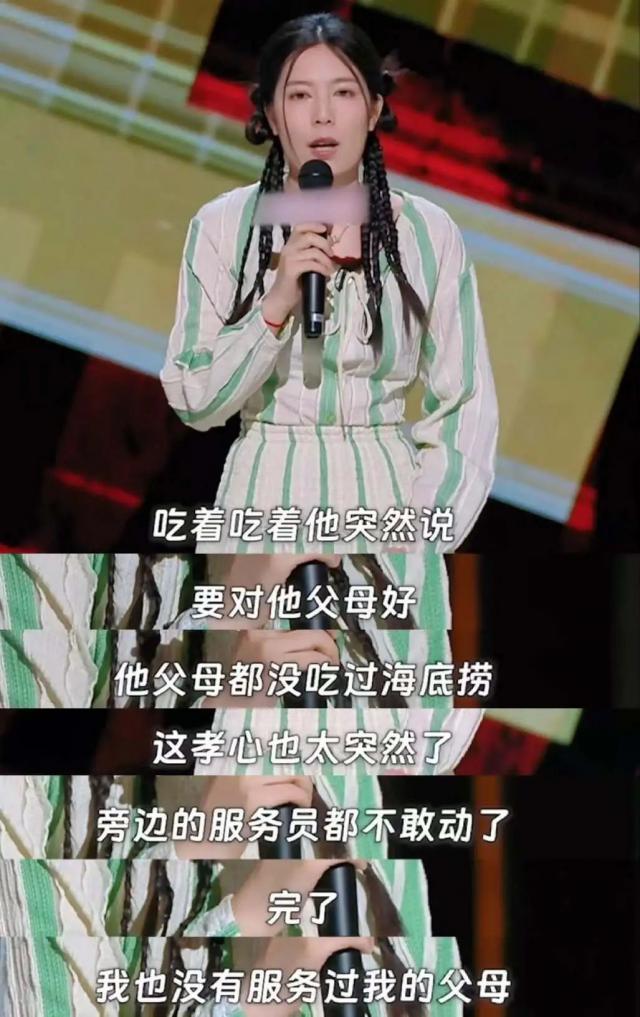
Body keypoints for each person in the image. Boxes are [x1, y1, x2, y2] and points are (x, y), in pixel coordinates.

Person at [160, 12, 498, 558]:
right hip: (264, 495)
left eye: (343, 93)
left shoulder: (427, 234)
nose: (322, 115)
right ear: (271, 115)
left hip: (388, 500)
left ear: (374, 109)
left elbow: (465, 403)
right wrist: (275, 304)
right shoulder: (224, 227)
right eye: (299, 96)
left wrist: (418, 538)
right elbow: (195, 400)